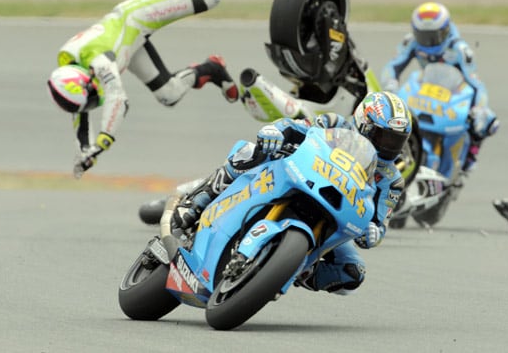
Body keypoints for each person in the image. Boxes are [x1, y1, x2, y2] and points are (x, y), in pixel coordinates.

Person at [169, 91, 411, 294]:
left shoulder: (392, 180)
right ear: (364, 123)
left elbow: (380, 222)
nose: (389, 146)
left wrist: (373, 233)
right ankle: (199, 200)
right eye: (383, 137)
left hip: (337, 213)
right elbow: (298, 128)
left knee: (352, 272)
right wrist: (276, 132)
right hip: (302, 178)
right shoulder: (335, 124)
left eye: (396, 141)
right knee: (250, 150)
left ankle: (294, 268)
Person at [46, 0, 238, 178]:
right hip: (129, 47)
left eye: (92, 95)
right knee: (169, 94)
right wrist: (85, 153)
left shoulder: (97, 60)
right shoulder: (77, 73)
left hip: (137, 16)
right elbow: (79, 112)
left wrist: (103, 141)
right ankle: (211, 69)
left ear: (86, 78)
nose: (95, 100)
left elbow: (118, 99)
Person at [380, 1, 499, 173]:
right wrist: (390, 85)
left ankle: (471, 155)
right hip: (426, 89)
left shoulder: (460, 49)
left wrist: (479, 109)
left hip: (453, 93)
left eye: (433, 36)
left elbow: (476, 85)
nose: (428, 43)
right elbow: (393, 66)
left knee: (486, 121)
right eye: (423, 36)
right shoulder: (411, 42)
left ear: (445, 31)